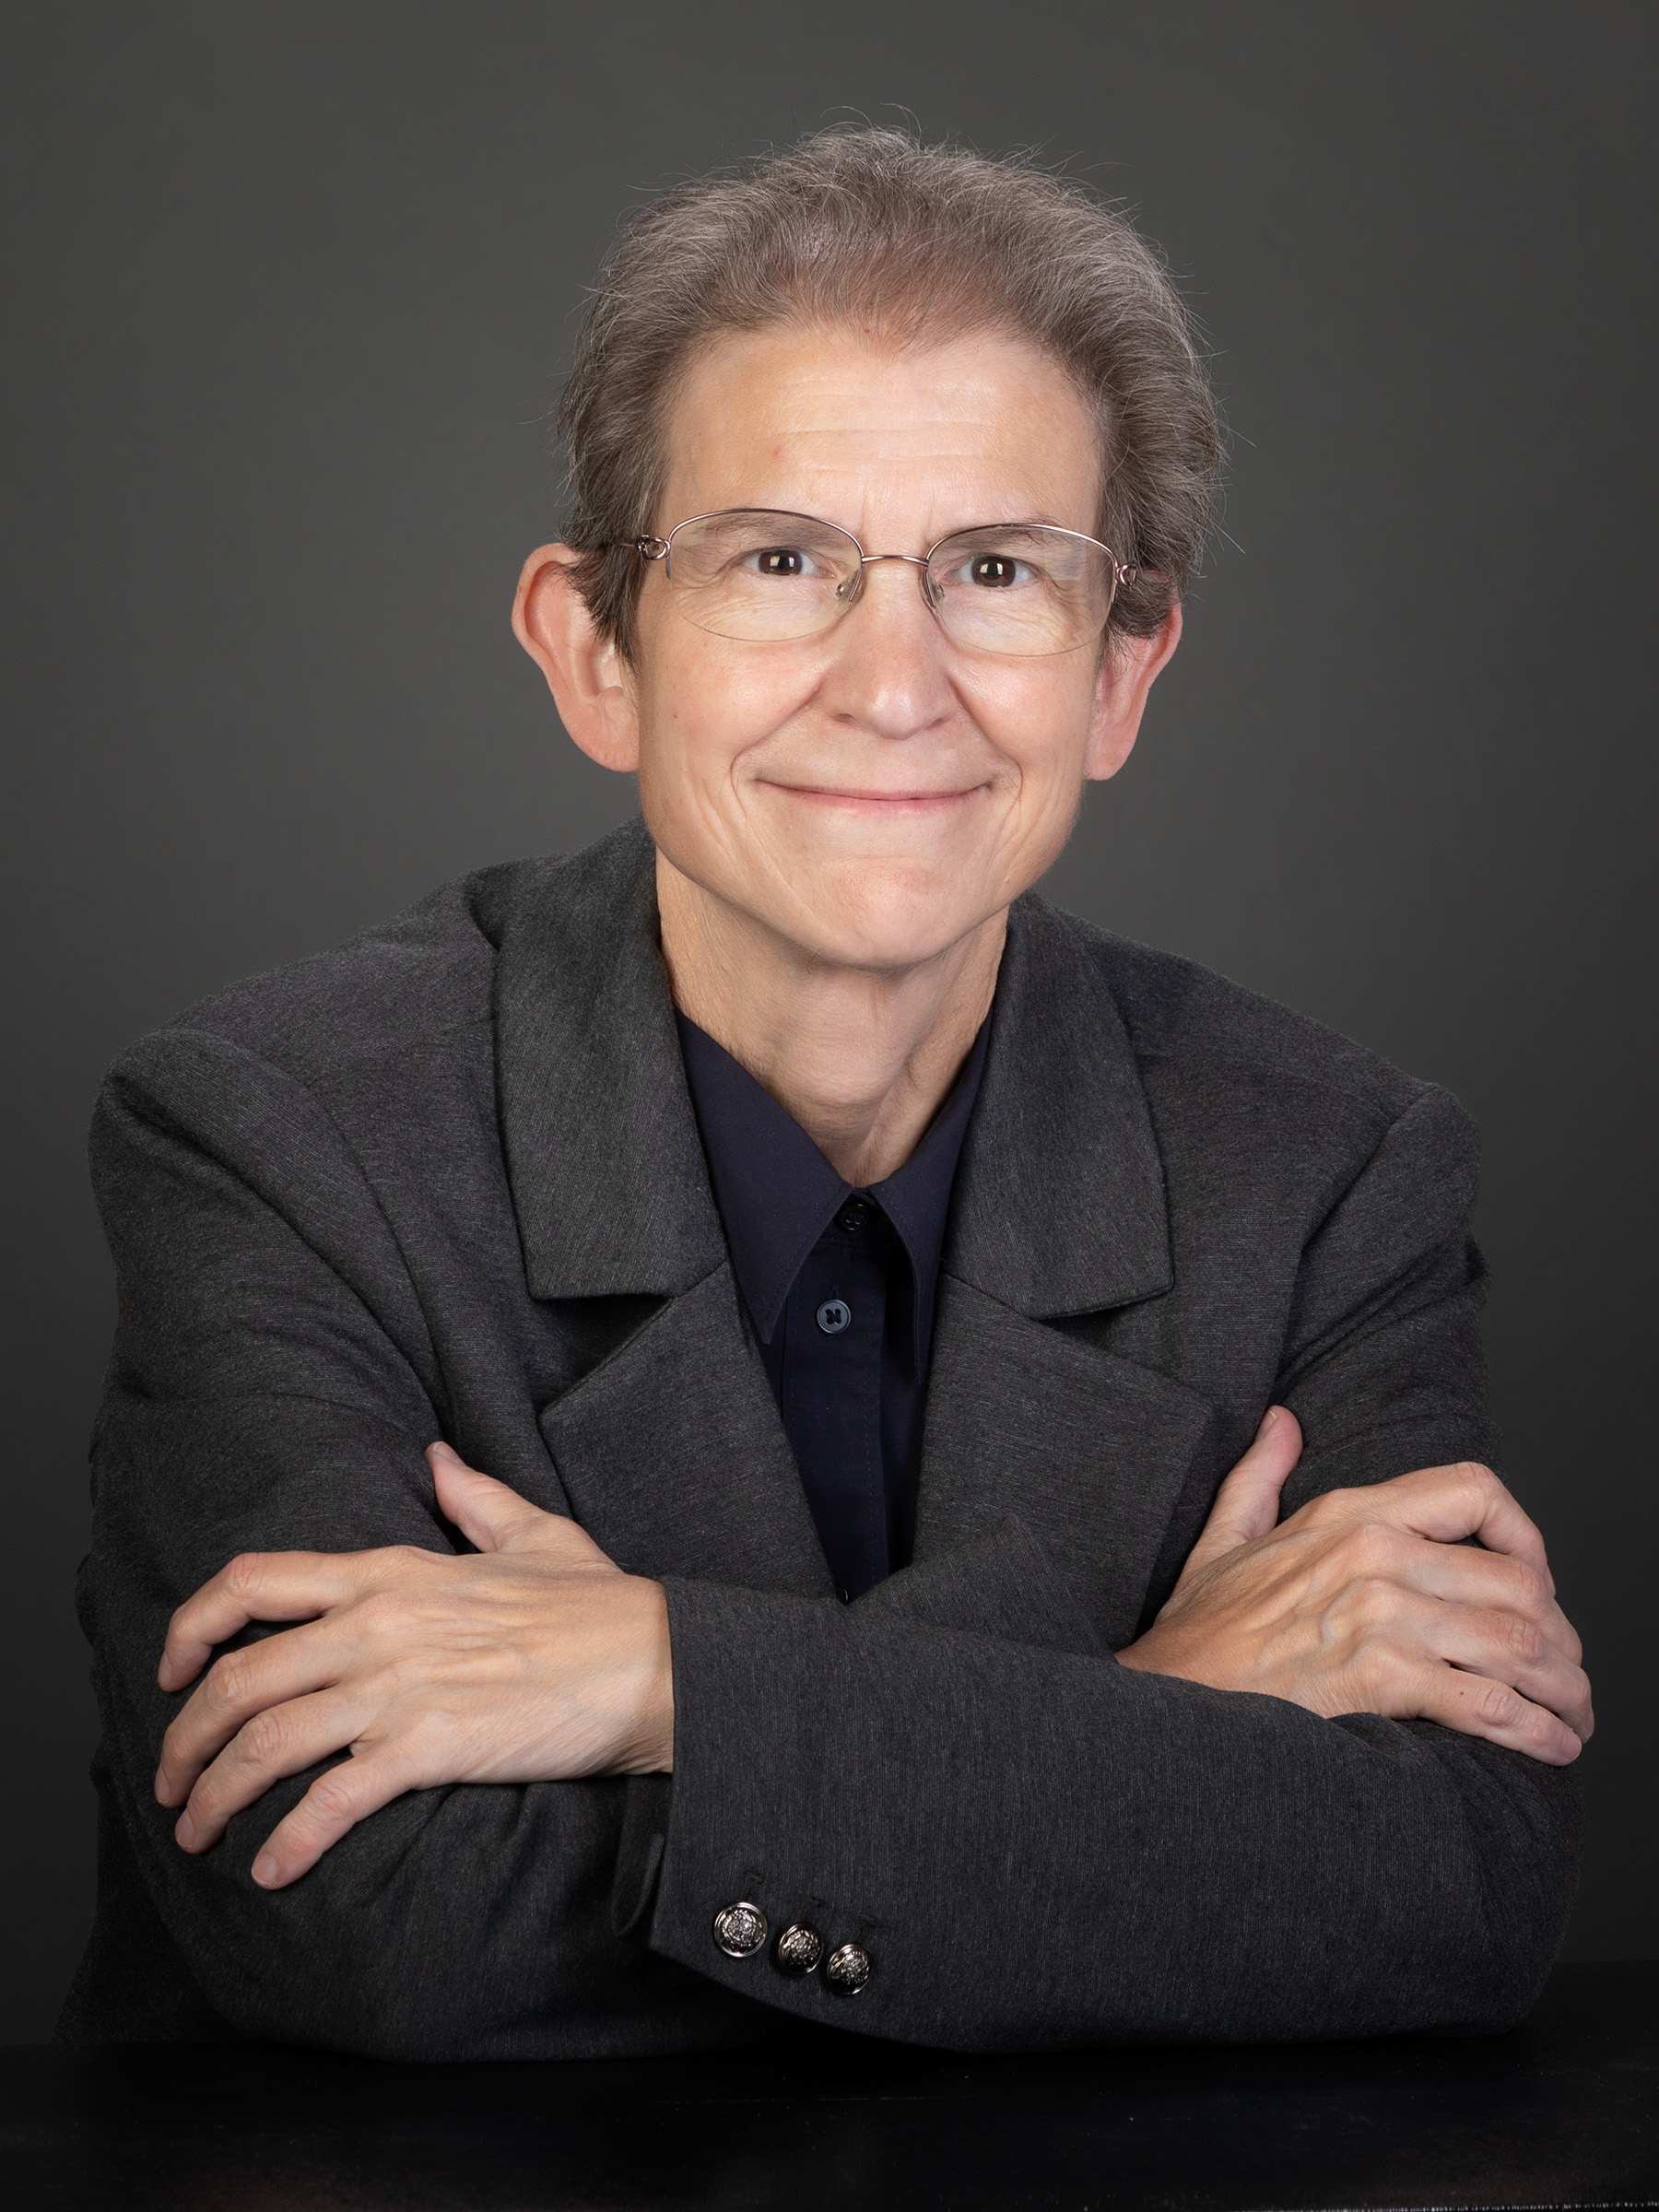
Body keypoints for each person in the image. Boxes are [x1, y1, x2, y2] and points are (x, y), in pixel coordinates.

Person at [62, 129, 1589, 2057]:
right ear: (596, 650)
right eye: (781, 561)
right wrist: (1147, 1697)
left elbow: (1448, 1889)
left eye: (1000, 573)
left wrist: (657, 1680)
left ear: (1120, 678)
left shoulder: (1326, 1170)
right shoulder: (281, 1138)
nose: (895, 681)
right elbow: (376, 1923)